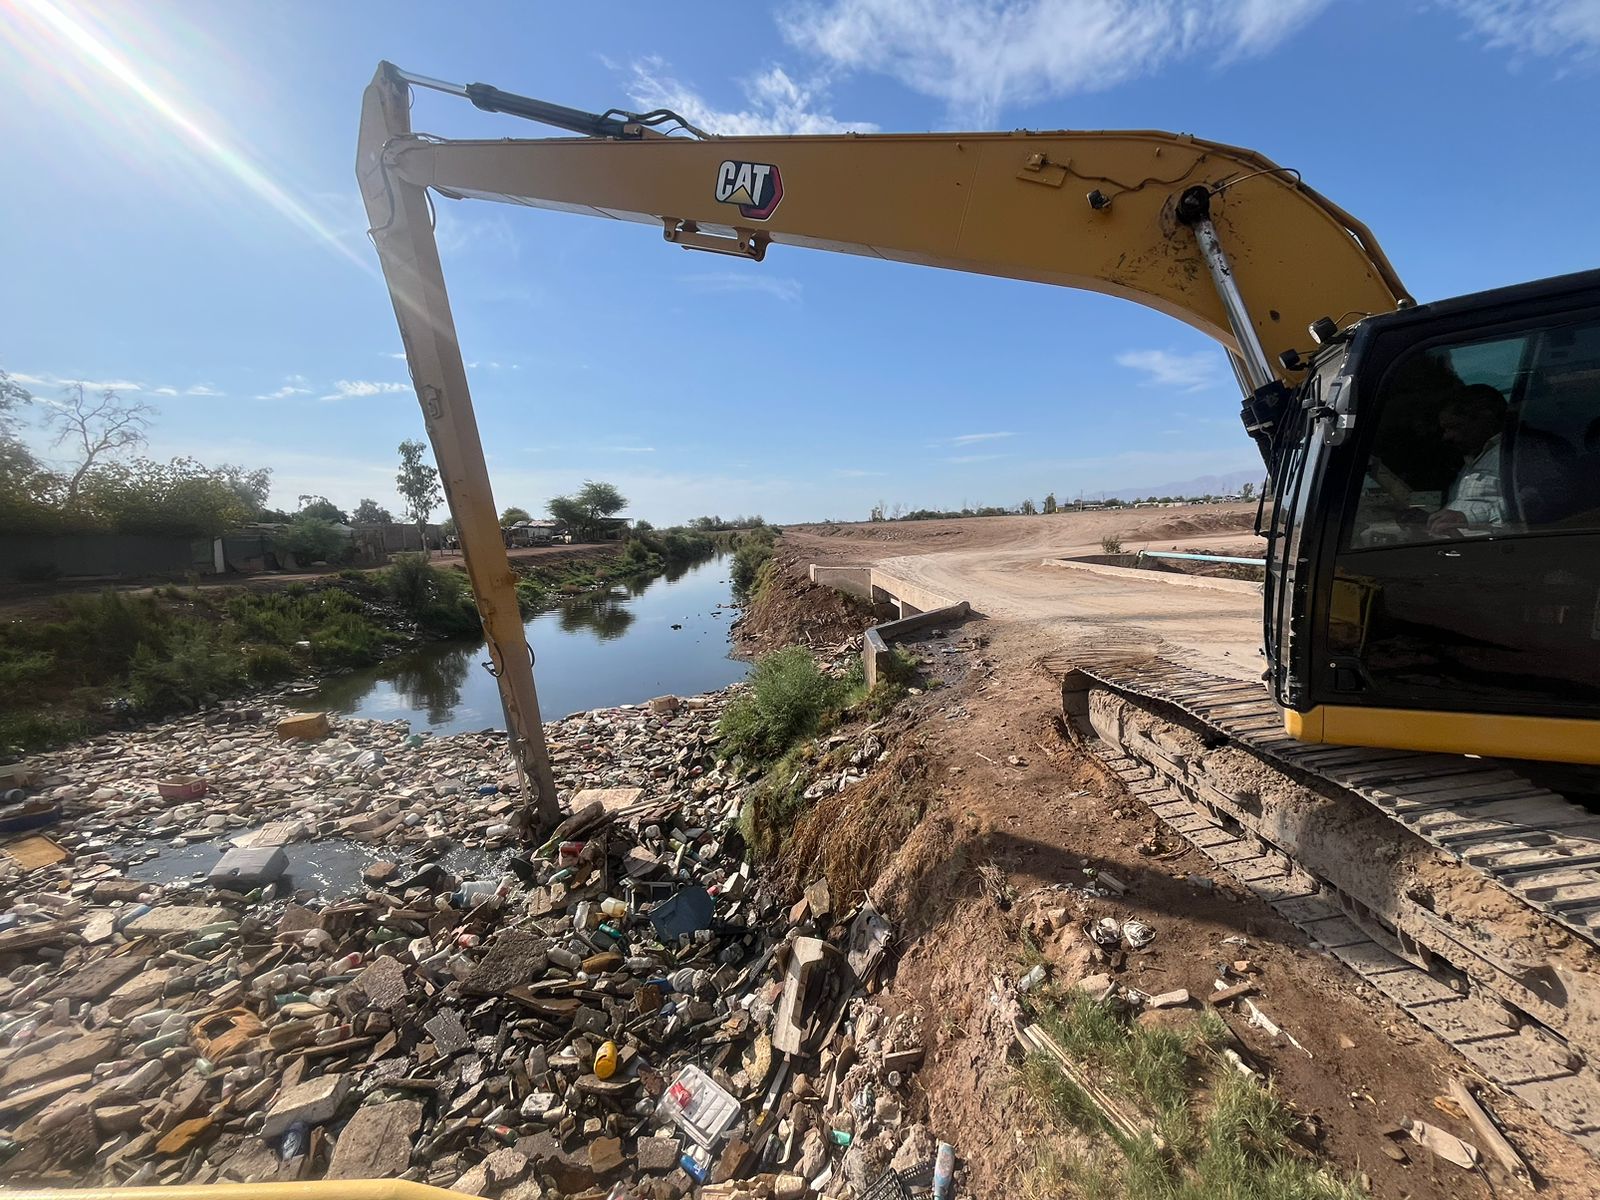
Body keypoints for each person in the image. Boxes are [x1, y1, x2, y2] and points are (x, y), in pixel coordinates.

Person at [1428, 384, 1508, 535]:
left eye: (1455, 427)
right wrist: (1432, 519)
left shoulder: (1516, 455)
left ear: (1486, 418)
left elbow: (1532, 503)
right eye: (1445, 429)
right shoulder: (1471, 461)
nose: (1447, 436)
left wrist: (1467, 518)